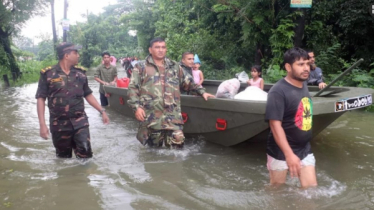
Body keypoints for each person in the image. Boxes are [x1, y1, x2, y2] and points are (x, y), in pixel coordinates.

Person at [127, 37, 215, 148]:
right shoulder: (141, 67)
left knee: (178, 148)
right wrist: (136, 107)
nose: (160, 50)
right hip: (151, 118)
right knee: (153, 153)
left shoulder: (174, 66)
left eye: (163, 47)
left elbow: (188, 82)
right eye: (157, 47)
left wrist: (202, 92)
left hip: (173, 117)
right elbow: (133, 88)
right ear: (150, 50)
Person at [35, 42, 109, 158]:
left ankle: (84, 175)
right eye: (76, 52)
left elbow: (88, 94)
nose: (78, 55)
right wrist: (42, 124)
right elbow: (40, 98)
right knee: (63, 159)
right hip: (59, 124)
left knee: (86, 154)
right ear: (66, 55)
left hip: (80, 121)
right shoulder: (48, 74)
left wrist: (102, 111)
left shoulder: (81, 74)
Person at [265, 47, 317, 188]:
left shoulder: (303, 84)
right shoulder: (278, 91)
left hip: (304, 148)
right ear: (288, 67)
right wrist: (289, 154)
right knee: (277, 191)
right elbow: (275, 125)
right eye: (300, 65)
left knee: (311, 191)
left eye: (307, 63)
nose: (306, 68)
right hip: (281, 151)